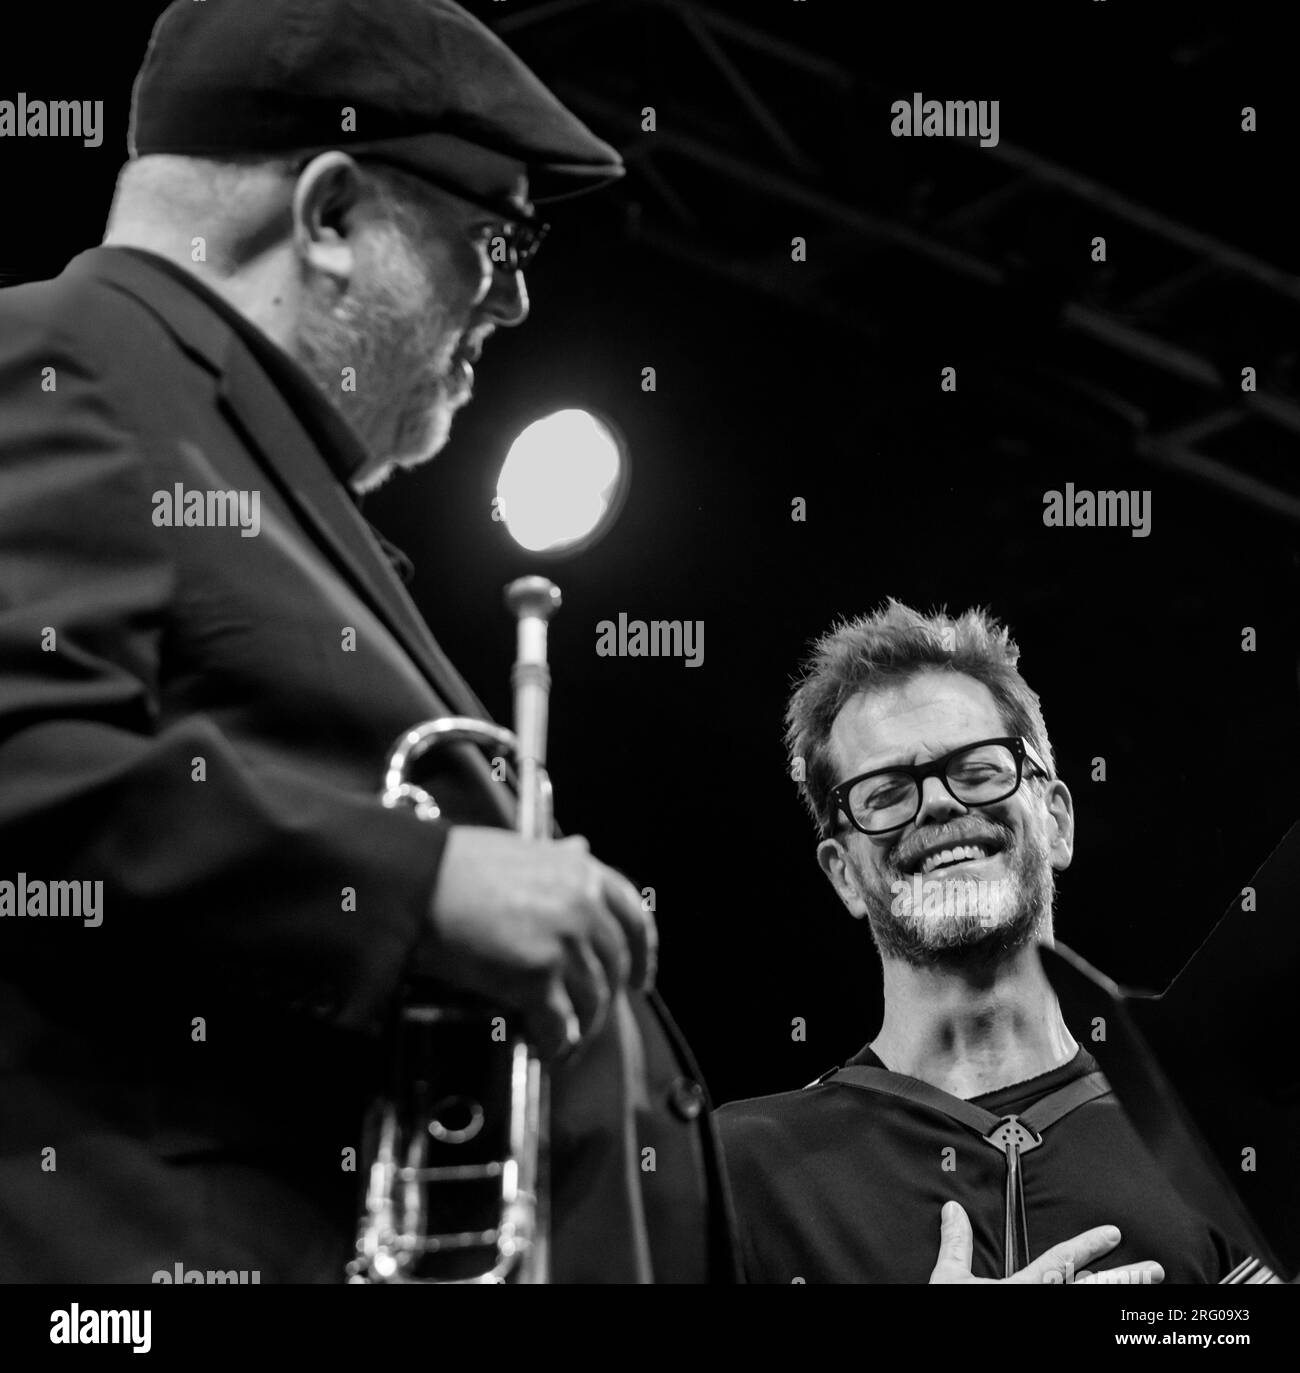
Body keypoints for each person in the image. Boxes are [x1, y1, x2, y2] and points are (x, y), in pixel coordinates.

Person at [0, 0, 734, 1284]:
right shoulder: (64, 358)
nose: (508, 302)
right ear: (331, 215)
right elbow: (21, 757)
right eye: (495, 239)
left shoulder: (215, 441)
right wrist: (422, 885)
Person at [715, 598, 1252, 1283]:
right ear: (844, 875)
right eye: (884, 792)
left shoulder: (1216, 1148)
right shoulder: (740, 1170)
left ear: (1056, 821)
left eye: (977, 769)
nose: (939, 803)